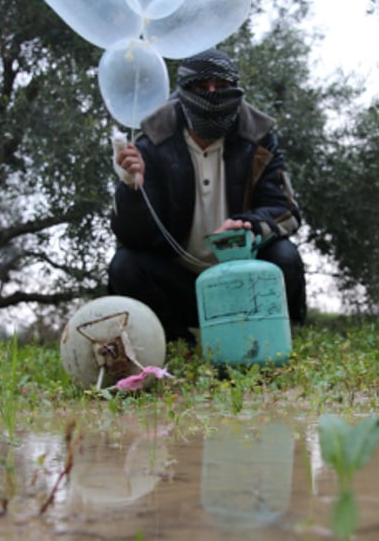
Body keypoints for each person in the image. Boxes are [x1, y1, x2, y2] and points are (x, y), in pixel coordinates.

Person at [108, 48, 307, 344]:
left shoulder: (259, 139)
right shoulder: (151, 145)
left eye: (222, 88)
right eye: (200, 88)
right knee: (124, 266)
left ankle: (270, 340)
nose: (212, 95)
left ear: (236, 90)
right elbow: (134, 238)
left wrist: (248, 226)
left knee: (284, 257)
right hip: (179, 282)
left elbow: (285, 210)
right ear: (183, 93)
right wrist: (132, 189)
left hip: (242, 274)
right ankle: (178, 343)